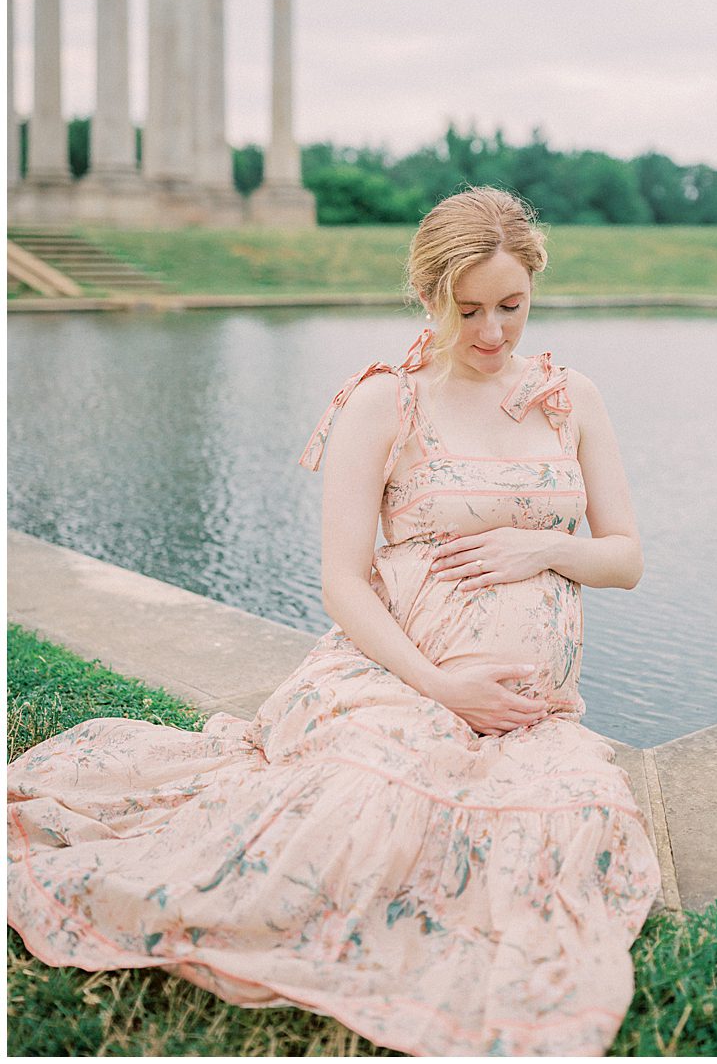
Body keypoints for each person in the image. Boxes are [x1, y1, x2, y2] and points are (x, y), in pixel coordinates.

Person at [8, 186, 663, 1057]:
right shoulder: (384, 402)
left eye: (512, 305)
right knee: (358, 812)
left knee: (571, 827)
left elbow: (624, 556)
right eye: (468, 309)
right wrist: (441, 686)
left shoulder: (566, 395)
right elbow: (342, 582)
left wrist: (541, 549)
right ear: (428, 294)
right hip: (400, 675)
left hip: (529, 708)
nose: (493, 332)